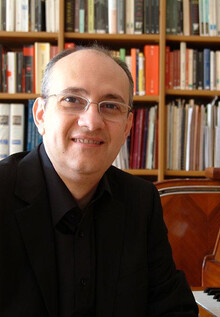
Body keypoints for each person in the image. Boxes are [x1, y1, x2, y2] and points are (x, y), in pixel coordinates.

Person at [0, 45, 198, 316]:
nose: (91, 122)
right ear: (41, 115)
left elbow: (172, 309)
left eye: (110, 106)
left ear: (128, 126)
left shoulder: (141, 201)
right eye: (72, 99)